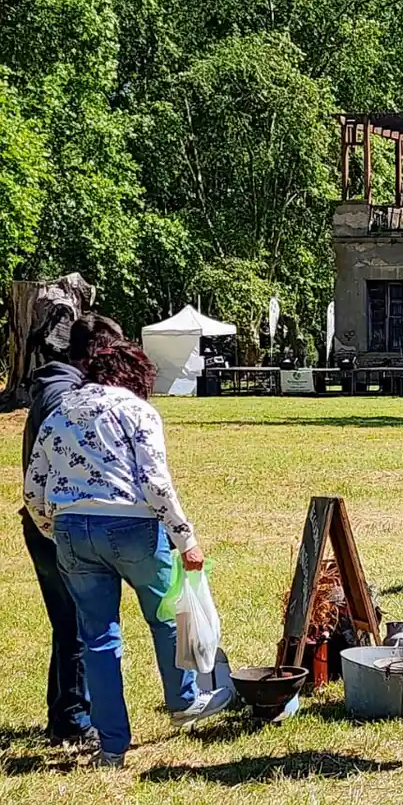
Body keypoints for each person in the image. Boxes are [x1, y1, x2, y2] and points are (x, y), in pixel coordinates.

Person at [23, 337, 231, 768]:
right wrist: (185, 539)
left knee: (96, 638)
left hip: (72, 529)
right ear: (136, 376)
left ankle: (111, 745)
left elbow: (33, 484)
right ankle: (184, 701)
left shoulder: (60, 410)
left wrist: (52, 528)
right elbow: (156, 482)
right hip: (133, 526)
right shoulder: (136, 410)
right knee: (165, 616)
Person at [18, 314, 122, 752]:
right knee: (81, 622)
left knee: (71, 623)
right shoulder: (65, 394)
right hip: (58, 523)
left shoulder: (55, 386)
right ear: (97, 353)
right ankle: (74, 720)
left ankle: (66, 712)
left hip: (49, 520)